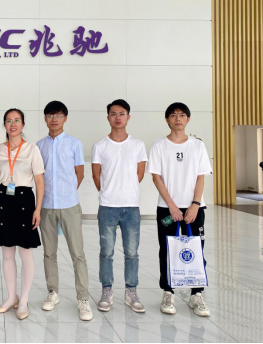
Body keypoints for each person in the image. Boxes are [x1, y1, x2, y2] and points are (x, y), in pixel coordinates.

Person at [148, 102, 213, 317]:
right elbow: (156, 178)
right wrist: (172, 206)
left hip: (194, 207)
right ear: (167, 119)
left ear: (188, 119)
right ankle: (168, 292)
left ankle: (197, 294)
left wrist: (195, 204)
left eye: (182, 115)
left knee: (196, 248)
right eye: (173, 115)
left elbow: (200, 176)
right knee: (167, 250)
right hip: (167, 208)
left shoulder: (197, 146)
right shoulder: (159, 145)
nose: (178, 118)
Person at [36, 101, 93, 321]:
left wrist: (66, 193)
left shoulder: (74, 143)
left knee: (77, 254)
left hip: (70, 206)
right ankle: (53, 292)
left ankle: (83, 298)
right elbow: (38, 177)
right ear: (45, 118)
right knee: (49, 253)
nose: (54, 119)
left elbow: (80, 173)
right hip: (46, 206)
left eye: (58, 115)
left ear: (65, 118)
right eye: (50, 115)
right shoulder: (39, 146)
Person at [92, 99, 148, 314]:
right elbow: (96, 175)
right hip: (107, 206)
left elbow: (140, 174)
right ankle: (106, 290)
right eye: (113, 114)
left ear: (128, 117)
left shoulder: (138, 144)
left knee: (132, 252)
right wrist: (109, 192)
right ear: (108, 117)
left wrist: (126, 190)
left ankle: (131, 291)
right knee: (106, 252)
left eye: (122, 113)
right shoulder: (100, 145)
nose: (118, 117)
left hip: (131, 207)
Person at [0, 109, 45, 321]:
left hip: (24, 201)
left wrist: (37, 209)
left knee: (25, 253)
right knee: (7, 253)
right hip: (4, 200)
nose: (13, 124)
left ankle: (24, 300)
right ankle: (11, 297)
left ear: (23, 124)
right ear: (4, 124)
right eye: (9, 121)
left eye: (17, 120)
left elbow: (39, 181)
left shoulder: (32, 149)